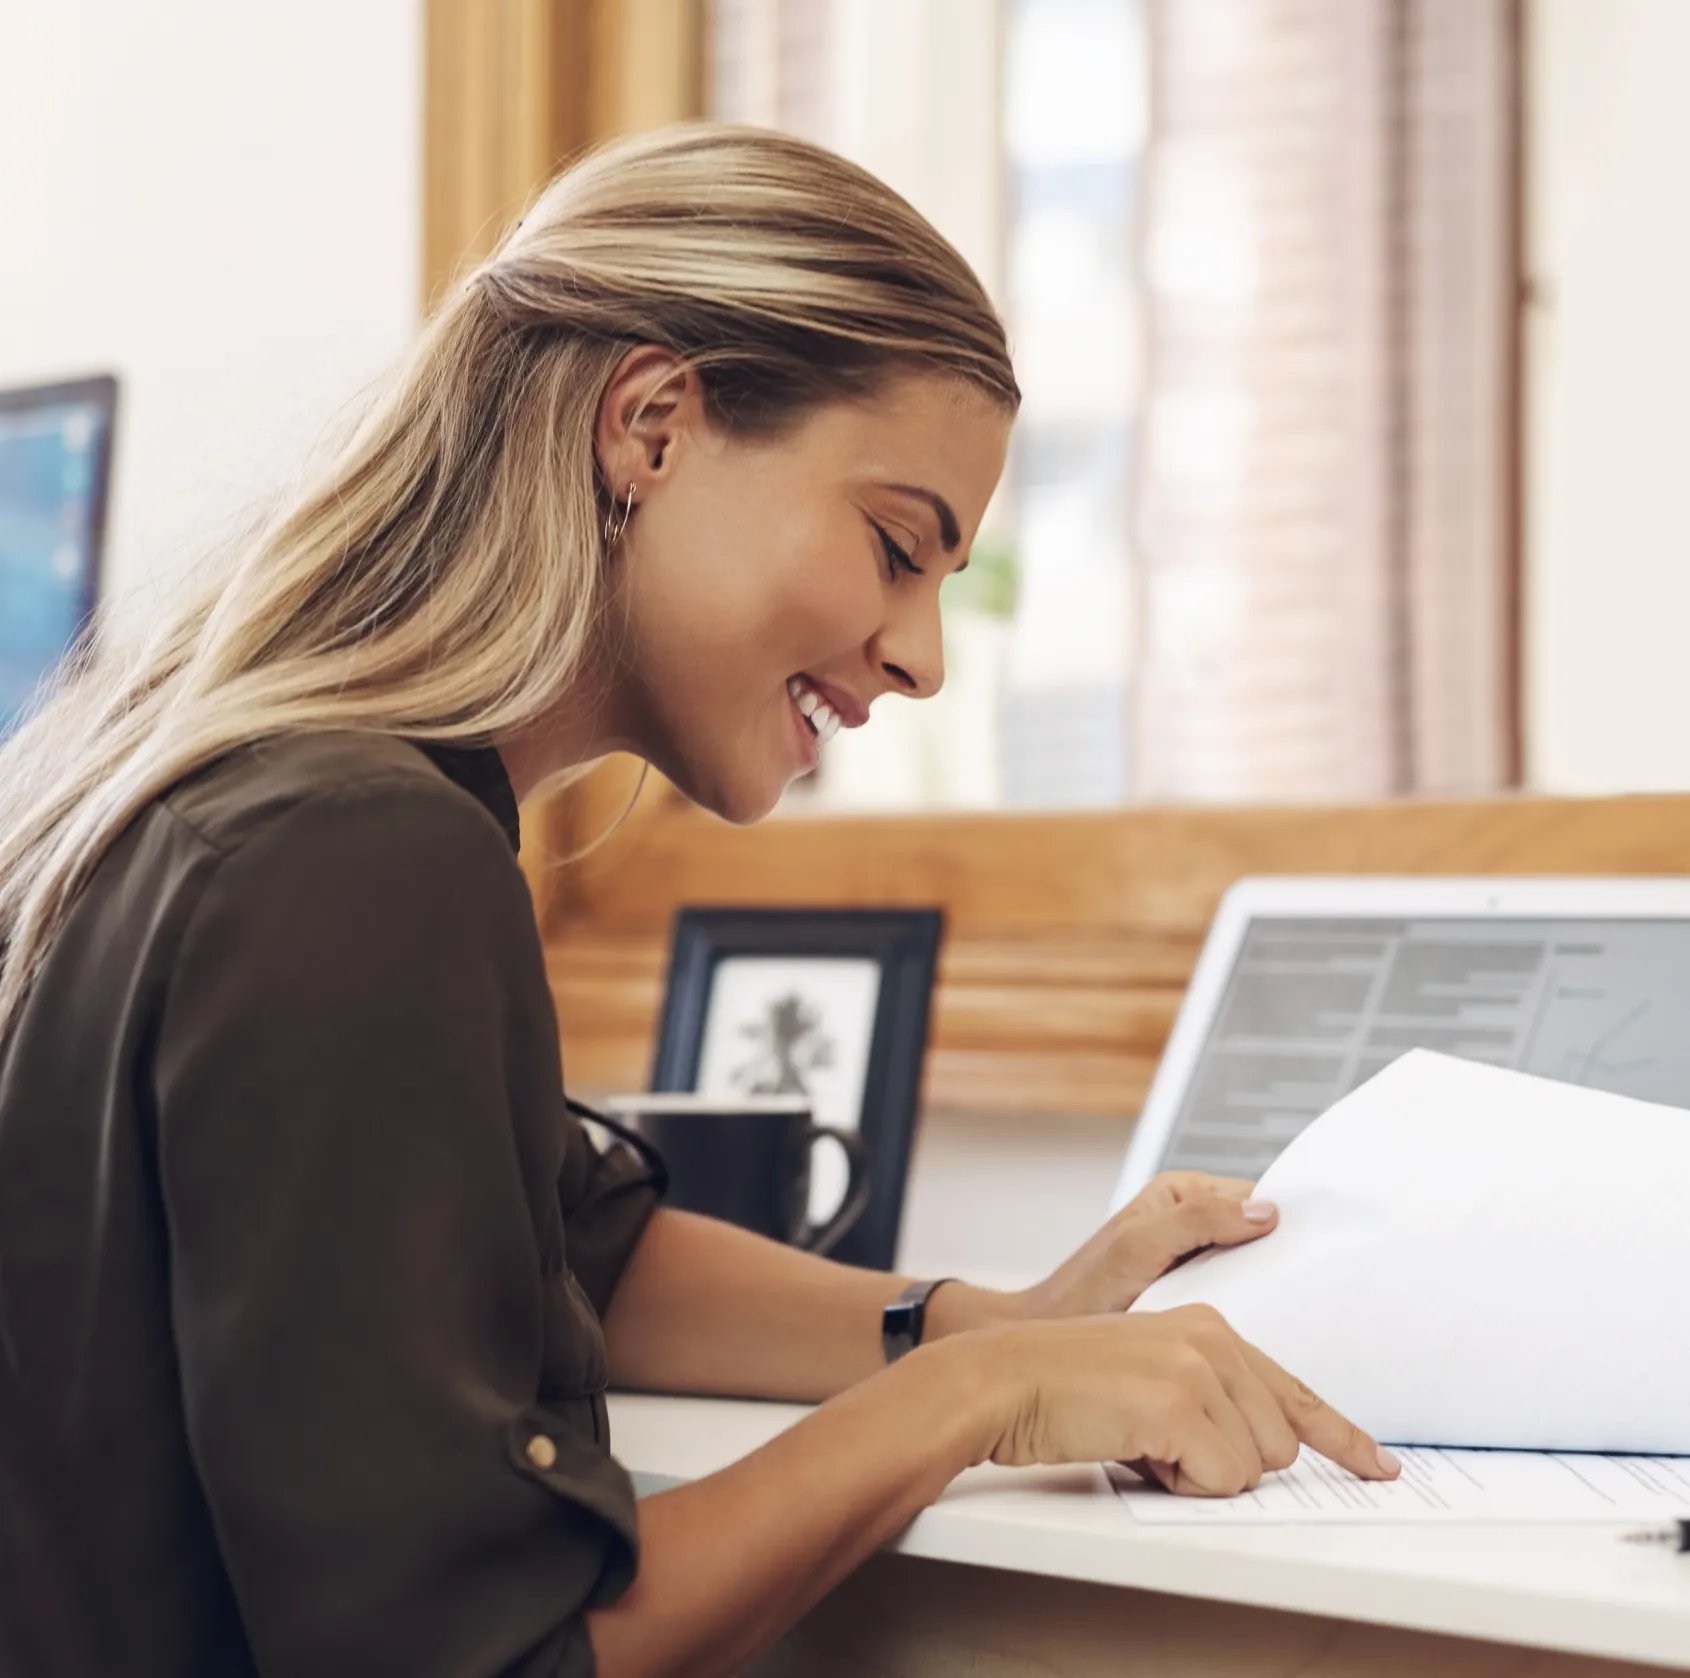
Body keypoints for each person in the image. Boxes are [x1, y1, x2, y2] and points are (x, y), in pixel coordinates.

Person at [0, 125, 1398, 1678]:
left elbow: (560, 1240)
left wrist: (987, 1321)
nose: (923, 654)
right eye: (895, 546)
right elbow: (484, 1654)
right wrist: (966, 1403)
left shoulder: (263, 796)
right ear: (652, 427)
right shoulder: (356, 859)